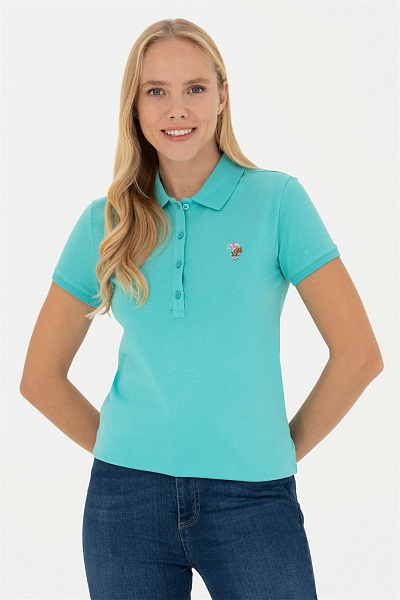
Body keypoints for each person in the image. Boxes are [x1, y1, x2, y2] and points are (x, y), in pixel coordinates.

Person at [20, 17, 384, 600]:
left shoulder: (277, 202)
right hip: (125, 504)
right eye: (156, 91)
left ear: (222, 96)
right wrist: (125, 450)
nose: (177, 109)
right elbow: (39, 377)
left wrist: (279, 451)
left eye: (194, 88)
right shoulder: (106, 221)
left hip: (252, 500)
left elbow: (360, 355)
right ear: (135, 106)